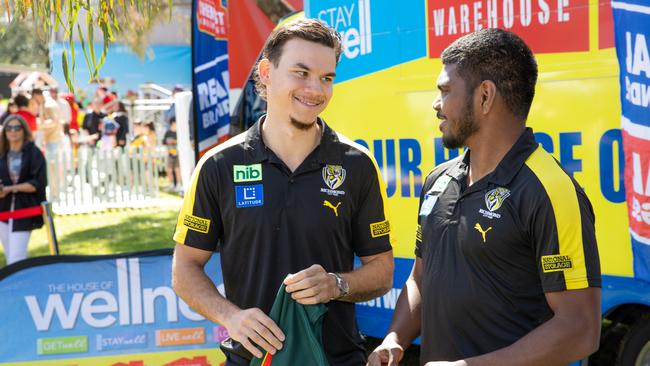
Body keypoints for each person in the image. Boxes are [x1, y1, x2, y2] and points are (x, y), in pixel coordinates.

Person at [367, 28, 601, 366]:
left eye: (445, 90)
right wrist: (394, 337)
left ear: (485, 96)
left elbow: (580, 329)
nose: (436, 104)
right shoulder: (438, 180)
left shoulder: (550, 190)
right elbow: (421, 276)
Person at [172, 18, 394, 366]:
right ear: (266, 71)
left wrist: (337, 285)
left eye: (326, 78)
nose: (315, 89)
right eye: (301, 72)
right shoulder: (217, 165)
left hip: (338, 359)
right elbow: (185, 268)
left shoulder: (358, 165)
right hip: (252, 360)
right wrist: (231, 317)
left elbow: (382, 270)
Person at [0, 115, 46, 265]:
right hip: (3, 211)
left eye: (17, 128)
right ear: (4, 132)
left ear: (24, 131)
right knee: (10, 256)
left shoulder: (34, 153)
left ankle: (19, 286)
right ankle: (20, 286)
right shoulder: (2, 155)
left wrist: (10, 189)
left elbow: (36, 183)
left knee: (16, 257)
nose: (13, 131)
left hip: (24, 209)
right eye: (9, 128)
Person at [163, 117, 180, 191]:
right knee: (169, 170)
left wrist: (174, 141)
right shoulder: (168, 133)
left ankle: (179, 184)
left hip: (178, 153)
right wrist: (167, 141)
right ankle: (171, 184)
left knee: (177, 169)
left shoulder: (178, 132)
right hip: (170, 153)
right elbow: (163, 141)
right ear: (173, 123)